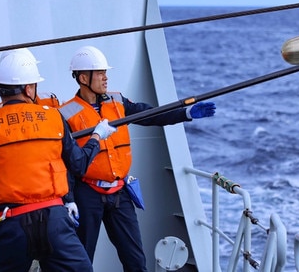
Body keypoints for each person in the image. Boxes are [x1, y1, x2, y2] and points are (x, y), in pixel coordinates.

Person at [0, 48, 116, 272]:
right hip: (55, 222)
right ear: (29, 88)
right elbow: (79, 164)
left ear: (0, 89)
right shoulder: (54, 118)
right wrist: (96, 137)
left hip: (12, 225)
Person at [58, 45, 217, 271]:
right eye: (100, 73)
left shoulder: (117, 102)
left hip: (119, 193)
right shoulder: (66, 114)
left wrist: (185, 113)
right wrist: (69, 198)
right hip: (87, 194)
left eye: (105, 72)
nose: (105, 77)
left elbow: (150, 114)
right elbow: (65, 161)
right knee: (81, 260)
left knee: (135, 260)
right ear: (83, 78)